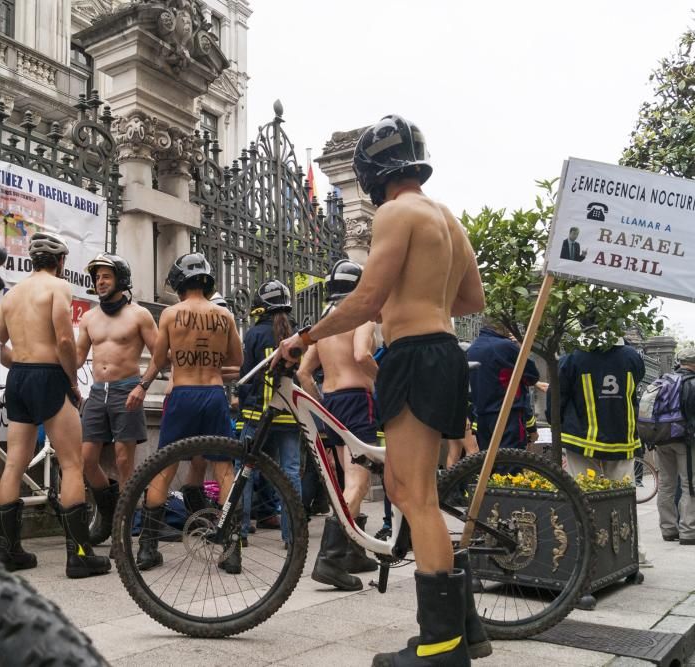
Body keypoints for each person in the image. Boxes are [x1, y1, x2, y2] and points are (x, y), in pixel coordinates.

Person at [274, 115, 488, 665]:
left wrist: (305, 335)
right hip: (442, 352)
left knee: (415, 496)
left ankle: (442, 646)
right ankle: (464, 628)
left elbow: (366, 299)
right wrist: (422, 299)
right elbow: (471, 300)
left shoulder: (395, 212)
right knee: (404, 487)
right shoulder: (445, 216)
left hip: (414, 357)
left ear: (372, 170)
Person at [0, 231, 110, 578]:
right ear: (60, 262)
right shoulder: (58, 288)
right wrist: (72, 380)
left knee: (14, 463)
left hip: (18, 377)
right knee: (73, 464)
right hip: (48, 376)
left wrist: (21, 366)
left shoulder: (11, 295)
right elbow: (63, 339)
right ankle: (79, 555)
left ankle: (8, 552)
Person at [131, 253, 243, 573]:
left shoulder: (169, 314)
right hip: (212, 393)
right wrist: (211, 368)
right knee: (223, 470)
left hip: (181, 394)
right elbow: (237, 360)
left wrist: (146, 384)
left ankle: (148, 549)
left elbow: (158, 359)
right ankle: (231, 550)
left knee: (164, 468)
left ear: (180, 282)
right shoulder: (224, 316)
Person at [296, 260, 380, 591]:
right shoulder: (362, 317)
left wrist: (320, 405)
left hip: (332, 403)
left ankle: (354, 550)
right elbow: (361, 355)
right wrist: (381, 379)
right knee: (358, 481)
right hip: (358, 400)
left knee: (346, 478)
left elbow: (304, 373)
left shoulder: (326, 322)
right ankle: (329, 559)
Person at [76, 253, 158, 545]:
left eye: (106, 276)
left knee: (124, 462)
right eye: (97, 277)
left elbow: (160, 355)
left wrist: (143, 386)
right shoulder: (89, 317)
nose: (100, 281)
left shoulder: (139, 315)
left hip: (127, 389)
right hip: (97, 393)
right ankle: (109, 513)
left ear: (120, 279)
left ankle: (122, 531)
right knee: (86, 460)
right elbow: (75, 358)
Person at [237, 280, 303, 548]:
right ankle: (293, 536)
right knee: (290, 473)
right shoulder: (298, 334)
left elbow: (246, 377)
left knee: (245, 471)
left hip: (258, 417)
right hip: (289, 417)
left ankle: (238, 532)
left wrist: (243, 410)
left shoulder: (254, 335)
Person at [551, 338, 645, 482]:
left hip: (581, 439)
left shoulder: (572, 357)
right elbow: (637, 380)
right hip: (622, 436)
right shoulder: (631, 356)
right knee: (622, 492)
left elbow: (556, 398)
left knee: (583, 492)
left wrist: (557, 423)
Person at [466, 318, 540, 451]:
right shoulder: (505, 346)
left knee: (489, 464)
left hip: (481, 418)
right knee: (510, 465)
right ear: (504, 327)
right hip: (507, 417)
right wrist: (518, 348)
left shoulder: (473, 348)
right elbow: (532, 376)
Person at [655, 345, 695, 544]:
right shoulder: (693, 383)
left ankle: (668, 529)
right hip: (685, 441)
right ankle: (689, 531)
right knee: (689, 484)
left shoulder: (665, 381)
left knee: (666, 484)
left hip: (661, 439)